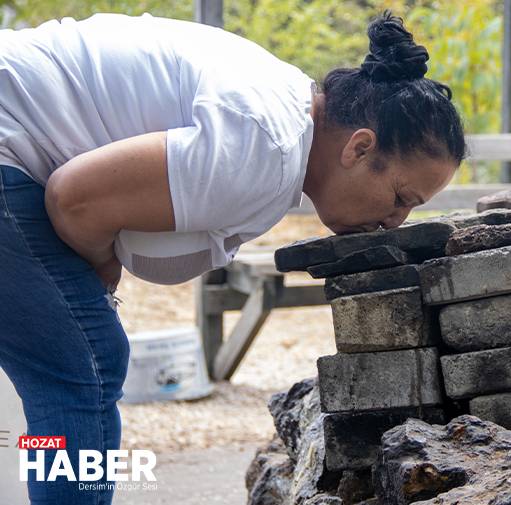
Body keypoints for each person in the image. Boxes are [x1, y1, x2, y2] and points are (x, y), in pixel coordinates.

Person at [0, 10, 465, 504]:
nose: (397, 221)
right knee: (86, 366)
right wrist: (100, 279)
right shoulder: (267, 147)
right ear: (360, 147)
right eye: (400, 197)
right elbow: (75, 199)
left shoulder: (284, 106)